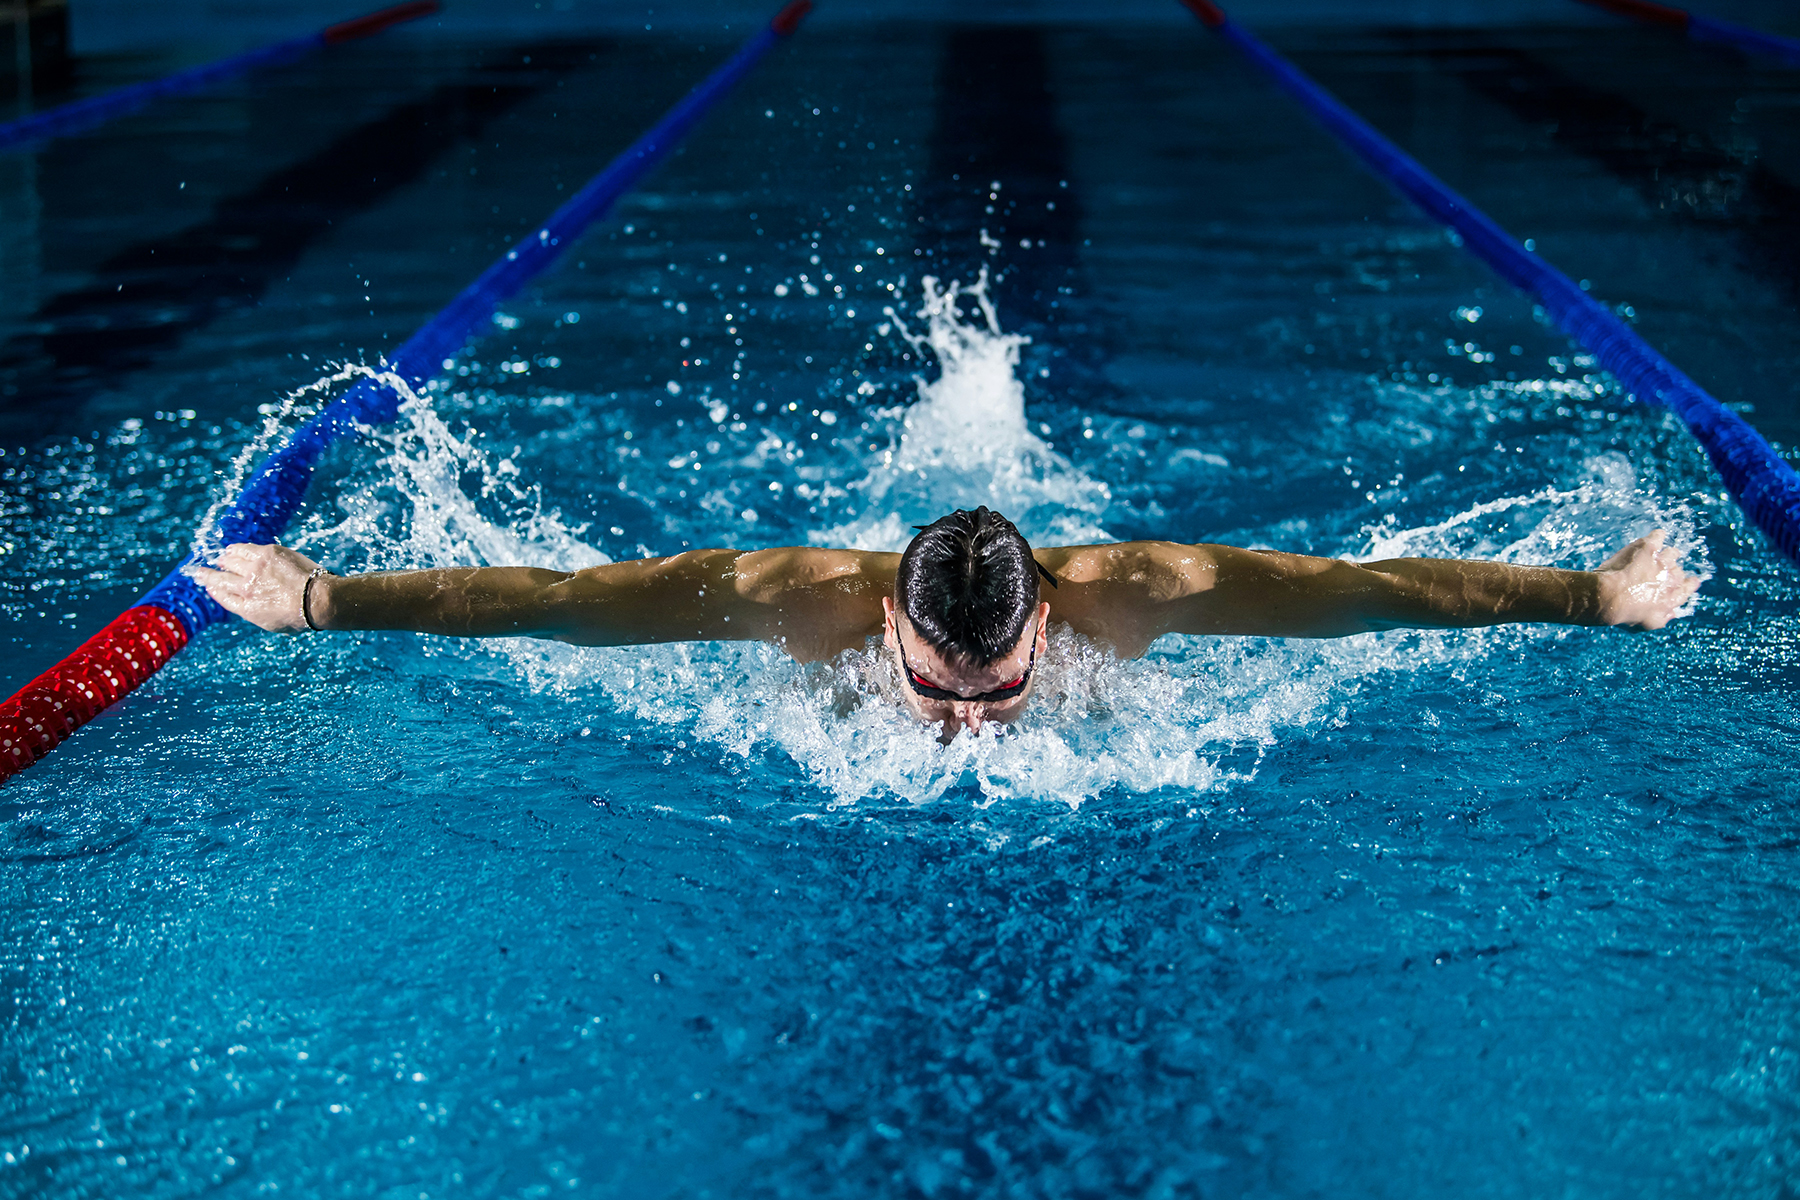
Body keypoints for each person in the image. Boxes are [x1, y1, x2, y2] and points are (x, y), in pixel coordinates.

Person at [193, 506, 1701, 738]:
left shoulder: (1147, 593)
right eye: (936, 687)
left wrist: (1592, 596)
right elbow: (565, 605)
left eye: (993, 693)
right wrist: (323, 598)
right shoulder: (797, 605)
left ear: (1051, 614)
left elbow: (1371, 597)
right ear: (889, 627)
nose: (964, 728)